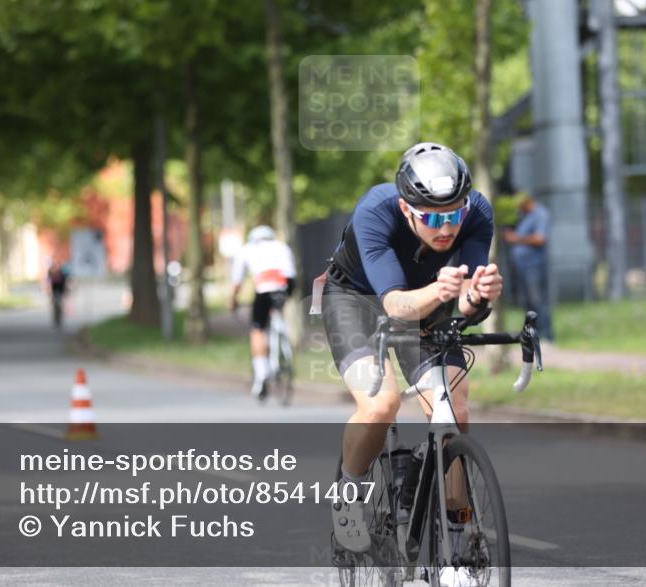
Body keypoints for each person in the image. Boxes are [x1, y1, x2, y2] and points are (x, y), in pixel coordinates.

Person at [321, 143, 502, 583]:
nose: (447, 228)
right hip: (359, 301)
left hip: (427, 299)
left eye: (455, 214)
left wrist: (478, 297)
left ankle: (457, 538)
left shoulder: (476, 212)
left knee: (454, 408)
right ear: (406, 208)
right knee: (380, 406)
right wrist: (444, 293)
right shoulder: (375, 212)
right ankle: (349, 489)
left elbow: (467, 302)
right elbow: (396, 304)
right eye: (434, 218)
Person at [230, 225, 296, 400]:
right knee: (277, 309)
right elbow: (291, 273)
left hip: (264, 288)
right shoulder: (282, 246)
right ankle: (282, 332)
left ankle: (261, 373)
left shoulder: (248, 249)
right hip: (285, 285)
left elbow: (237, 280)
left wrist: (233, 300)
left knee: (258, 329)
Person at [503, 193, 554, 341]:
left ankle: (546, 336)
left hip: (535, 266)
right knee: (528, 303)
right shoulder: (523, 216)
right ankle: (532, 336)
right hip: (521, 266)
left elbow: (540, 238)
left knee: (539, 302)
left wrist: (516, 238)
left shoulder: (541, 214)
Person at [47, 261, 70, 328]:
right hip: (54, 292)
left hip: (61, 292)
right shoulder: (51, 273)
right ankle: (55, 317)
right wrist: (49, 291)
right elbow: (49, 283)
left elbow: (66, 283)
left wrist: (66, 291)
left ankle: (60, 316)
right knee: (54, 305)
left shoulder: (62, 274)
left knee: (60, 305)